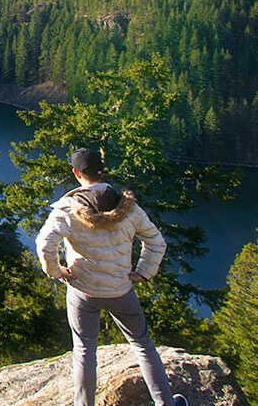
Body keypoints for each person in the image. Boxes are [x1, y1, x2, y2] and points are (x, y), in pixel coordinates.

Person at [35, 148, 186, 406]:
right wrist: (143, 272)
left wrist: (56, 271)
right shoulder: (128, 208)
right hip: (121, 290)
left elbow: (44, 245)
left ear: (76, 174)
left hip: (83, 292)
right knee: (143, 347)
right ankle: (167, 404)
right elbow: (156, 242)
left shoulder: (67, 209)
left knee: (84, 352)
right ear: (103, 172)